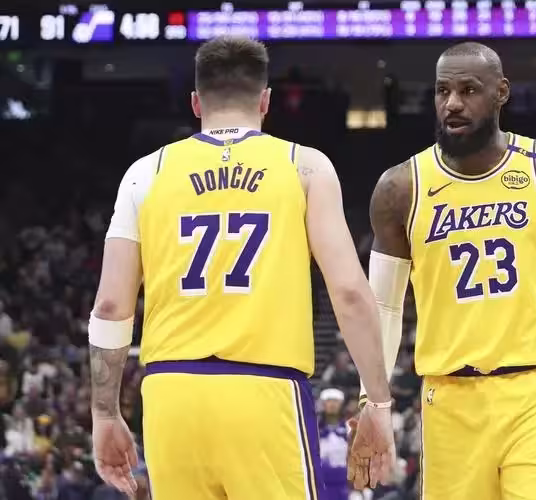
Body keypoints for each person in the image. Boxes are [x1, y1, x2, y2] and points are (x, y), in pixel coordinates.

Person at [88, 35, 395, 499]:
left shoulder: (144, 173)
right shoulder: (304, 166)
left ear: (196, 102)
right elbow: (350, 293)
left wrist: (105, 414)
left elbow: (111, 307)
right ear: (265, 101)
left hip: (171, 395)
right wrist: (378, 402)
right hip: (265, 390)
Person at [349, 41, 536, 499]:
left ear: (501, 92)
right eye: (443, 91)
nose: (453, 103)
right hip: (449, 400)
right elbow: (383, 306)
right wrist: (373, 400)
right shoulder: (400, 188)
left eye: (468, 90)